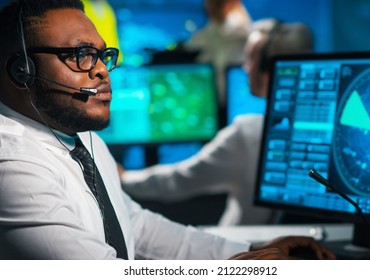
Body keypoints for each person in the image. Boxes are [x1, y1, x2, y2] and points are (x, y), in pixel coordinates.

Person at [0, 0, 333, 260]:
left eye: (103, 56)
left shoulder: (84, 141)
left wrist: (252, 249)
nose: (102, 71)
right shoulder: (12, 167)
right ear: (22, 70)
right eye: (81, 55)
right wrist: (244, 268)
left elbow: (139, 228)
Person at [119, 19, 314, 225]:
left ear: (269, 69)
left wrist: (124, 178)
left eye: (251, 59)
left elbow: (179, 181)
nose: (246, 68)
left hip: (245, 248)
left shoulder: (249, 134)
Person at [184, 0, 252, 105]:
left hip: (238, 100)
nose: (212, 6)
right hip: (212, 100)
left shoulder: (246, 35)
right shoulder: (200, 38)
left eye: (219, 3)